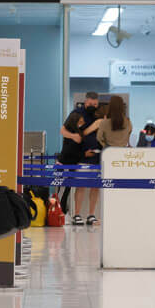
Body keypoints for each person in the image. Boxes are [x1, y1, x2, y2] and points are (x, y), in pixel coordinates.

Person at [86, 95, 131, 226]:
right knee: (120, 188)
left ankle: (101, 217)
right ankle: (119, 216)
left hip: (108, 155)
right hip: (122, 156)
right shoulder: (128, 122)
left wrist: (106, 145)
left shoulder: (105, 123)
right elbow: (128, 136)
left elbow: (99, 138)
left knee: (105, 187)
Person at [59, 92, 102, 225]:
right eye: (90, 103)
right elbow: (63, 131)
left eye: (95, 104)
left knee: (95, 187)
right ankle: (77, 214)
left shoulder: (99, 114)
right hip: (81, 156)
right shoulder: (77, 113)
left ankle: (91, 214)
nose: (92, 106)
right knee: (81, 185)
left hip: (98, 157)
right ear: (85, 102)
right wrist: (74, 136)